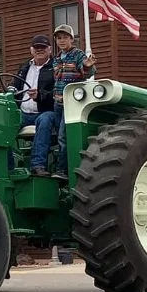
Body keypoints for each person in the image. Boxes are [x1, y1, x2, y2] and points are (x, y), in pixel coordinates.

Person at [51, 24, 97, 180]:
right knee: (58, 136)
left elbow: (87, 73)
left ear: (72, 39)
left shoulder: (78, 54)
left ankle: (63, 170)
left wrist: (87, 66)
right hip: (57, 102)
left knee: (64, 136)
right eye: (59, 38)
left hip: (71, 103)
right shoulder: (56, 58)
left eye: (65, 37)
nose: (62, 41)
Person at [9, 34, 56, 176]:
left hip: (45, 111)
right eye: (36, 48)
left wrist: (40, 96)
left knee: (45, 120)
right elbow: (15, 86)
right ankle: (7, 167)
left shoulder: (55, 69)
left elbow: (59, 93)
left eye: (43, 47)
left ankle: (37, 165)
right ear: (31, 50)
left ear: (49, 49)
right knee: (5, 124)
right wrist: (10, 90)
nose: (39, 50)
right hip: (23, 112)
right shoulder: (24, 68)